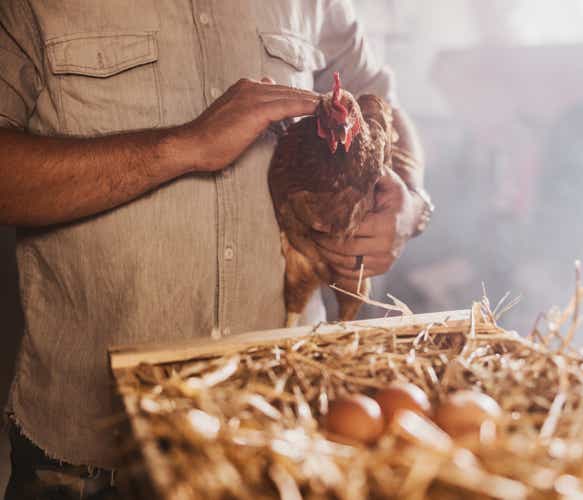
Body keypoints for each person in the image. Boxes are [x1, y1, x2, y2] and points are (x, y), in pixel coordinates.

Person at [0, 1, 430, 497]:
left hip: (280, 430)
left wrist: (410, 201)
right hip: (92, 461)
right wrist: (185, 146)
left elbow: (382, 99)